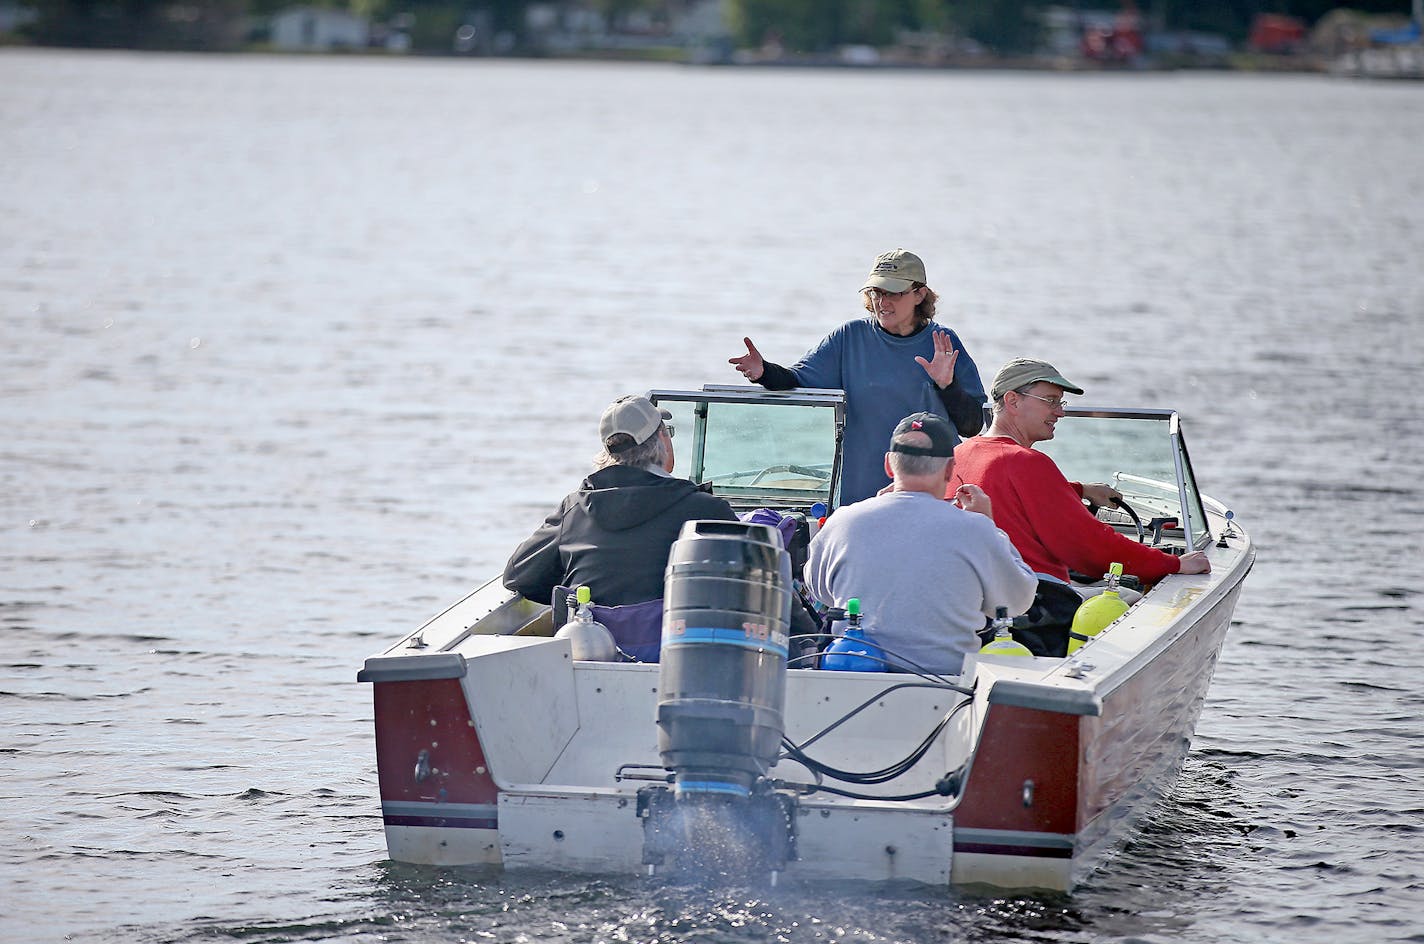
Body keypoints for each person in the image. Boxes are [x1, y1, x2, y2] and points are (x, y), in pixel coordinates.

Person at [949, 357, 1211, 655]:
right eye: (1050, 401)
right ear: (1012, 400)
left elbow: (1002, 491)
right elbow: (1090, 549)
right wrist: (1173, 565)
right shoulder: (1027, 463)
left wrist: (1079, 490)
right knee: (1133, 601)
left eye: (1061, 403)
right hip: (1037, 604)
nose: (1059, 412)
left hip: (974, 602)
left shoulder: (961, 453)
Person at [728, 248, 986, 506]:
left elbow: (972, 427)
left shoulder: (944, 342)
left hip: (934, 501)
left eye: (894, 293)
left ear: (919, 294)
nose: (882, 303)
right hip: (861, 500)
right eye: (877, 293)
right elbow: (796, 380)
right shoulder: (848, 338)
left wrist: (947, 385)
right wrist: (763, 372)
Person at [803, 412, 1037, 676]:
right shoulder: (975, 529)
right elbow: (1017, 601)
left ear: (889, 466)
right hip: (948, 687)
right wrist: (990, 525)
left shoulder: (843, 521)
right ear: (950, 469)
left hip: (854, 675)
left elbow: (819, 591)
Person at [503, 394, 737, 657]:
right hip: (682, 663)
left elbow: (518, 576)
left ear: (608, 453)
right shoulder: (706, 510)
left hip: (593, 656)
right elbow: (748, 591)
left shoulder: (574, 509)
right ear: (662, 440)